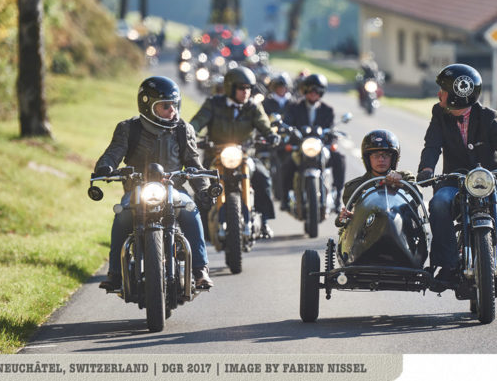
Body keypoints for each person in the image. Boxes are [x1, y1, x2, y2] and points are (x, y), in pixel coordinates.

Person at [416, 63, 497, 287]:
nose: (439, 94)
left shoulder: (490, 117)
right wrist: (426, 170)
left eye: (443, 90)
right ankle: (447, 265)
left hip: (492, 178)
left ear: (457, 96)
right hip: (455, 179)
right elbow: (432, 146)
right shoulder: (439, 114)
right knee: (439, 203)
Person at [94, 76, 214, 290]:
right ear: (148, 105)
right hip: (138, 190)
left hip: (174, 189)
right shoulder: (128, 128)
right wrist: (105, 167)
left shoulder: (182, 129)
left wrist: (203, 189)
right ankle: (114, 273)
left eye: (174, 105)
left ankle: (200, 269)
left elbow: (194, 162)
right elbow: (113, 153)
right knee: (122, 215)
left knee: (191, 211)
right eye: (165, 106)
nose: (172, 111)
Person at [190, 66, 280, 237]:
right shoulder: (213, 104)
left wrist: (270, 136)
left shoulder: (253, 106)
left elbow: (263, 124)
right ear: (230, 87)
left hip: (245, 156)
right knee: (201, 187)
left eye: (248, 88)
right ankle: (201, 230)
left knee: (263, 177)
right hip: (215, 155)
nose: (245, 92)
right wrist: (191, 134)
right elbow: (197, 122)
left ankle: (264, 222)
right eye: (241, 88)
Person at [280, 73, 346, 212]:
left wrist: (333, 141)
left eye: (317, 90)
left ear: (322, 92)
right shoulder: (294, 107)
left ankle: (339, 196)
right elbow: (287, 124)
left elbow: (332, 129)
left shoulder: (328, 110)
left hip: (320, 147)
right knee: (287, 163)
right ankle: (285, 198)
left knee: (339, 158)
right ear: (305, 90)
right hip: (300, 146)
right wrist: (287, 132)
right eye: (310, 90)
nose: (314, 93)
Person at [336, 130, 414, 227]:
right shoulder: (355, 187)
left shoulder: (405, 177)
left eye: (386, 155)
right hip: (367, 235)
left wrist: (401, 183)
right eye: (376, 155)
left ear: (394, 158)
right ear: (368, 159)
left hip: (400, 229)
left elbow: (417, 200)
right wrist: (349, 216)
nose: (381, 159)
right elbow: (343, 221)